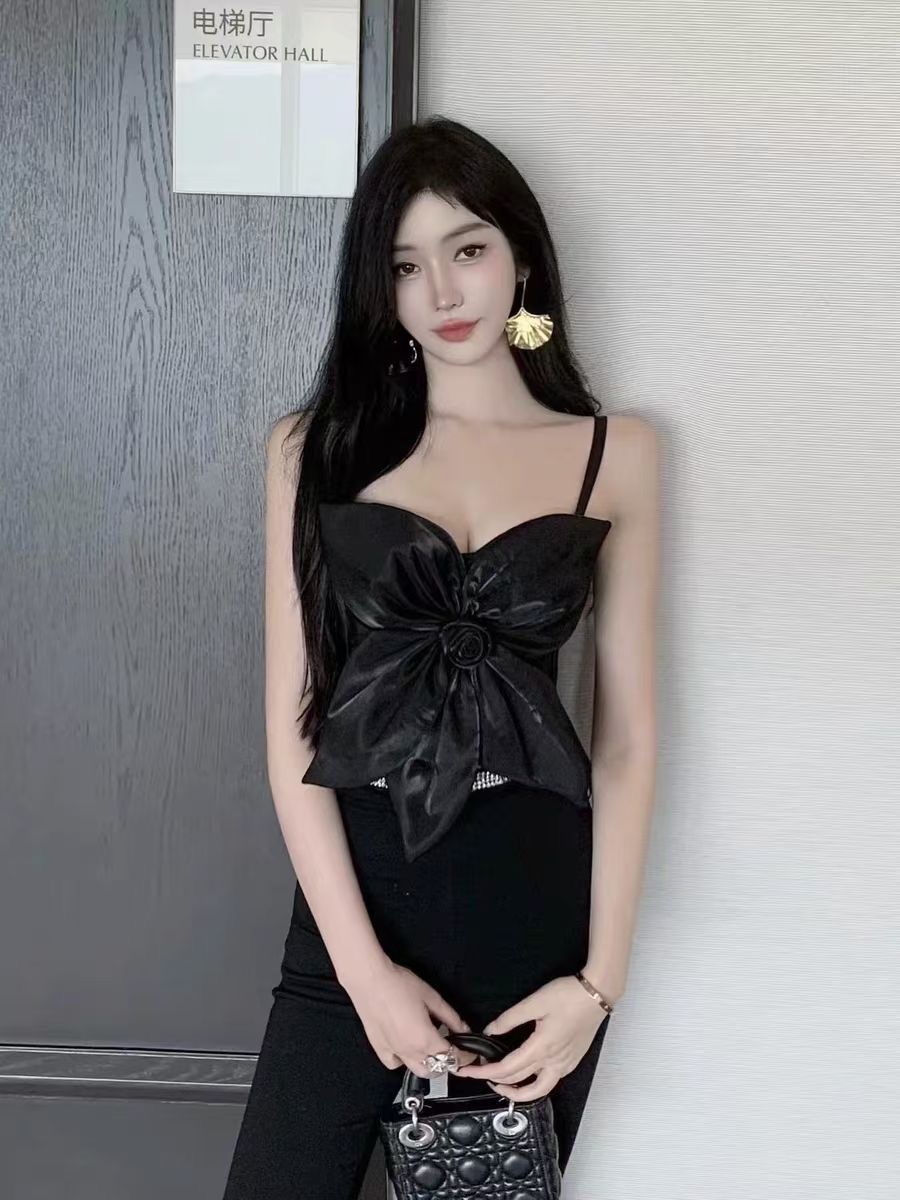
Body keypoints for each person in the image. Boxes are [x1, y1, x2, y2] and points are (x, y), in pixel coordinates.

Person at [222, 115, 660, 1198]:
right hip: (359, 898)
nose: (444, 291)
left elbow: (628, 741)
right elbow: (292, 730)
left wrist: (599, 983)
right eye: (406, 265)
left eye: (467, 249)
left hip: (536, 913)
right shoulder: (313, 450)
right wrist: (362, 973)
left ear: (520, 255)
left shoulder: (617, 453)